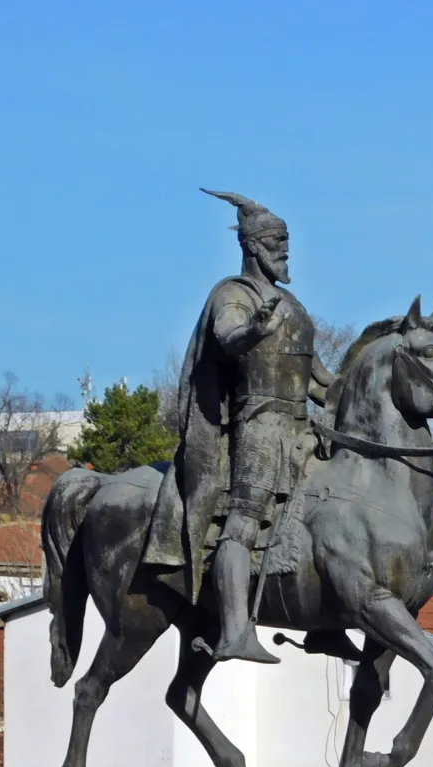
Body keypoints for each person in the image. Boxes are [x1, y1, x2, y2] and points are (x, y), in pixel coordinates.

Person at [142, 189, 333, 663]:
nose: (285, 250)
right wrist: (255, 329)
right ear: (252, 246)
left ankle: (326, 624)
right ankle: (233, 631)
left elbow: (321, 382)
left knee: (330, 509)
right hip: (259, 426)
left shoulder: (294, 306)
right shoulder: (234, 294)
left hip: (302, 427)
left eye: (287, 241)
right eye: (276, 241)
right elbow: (228, 338)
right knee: (243, 523)